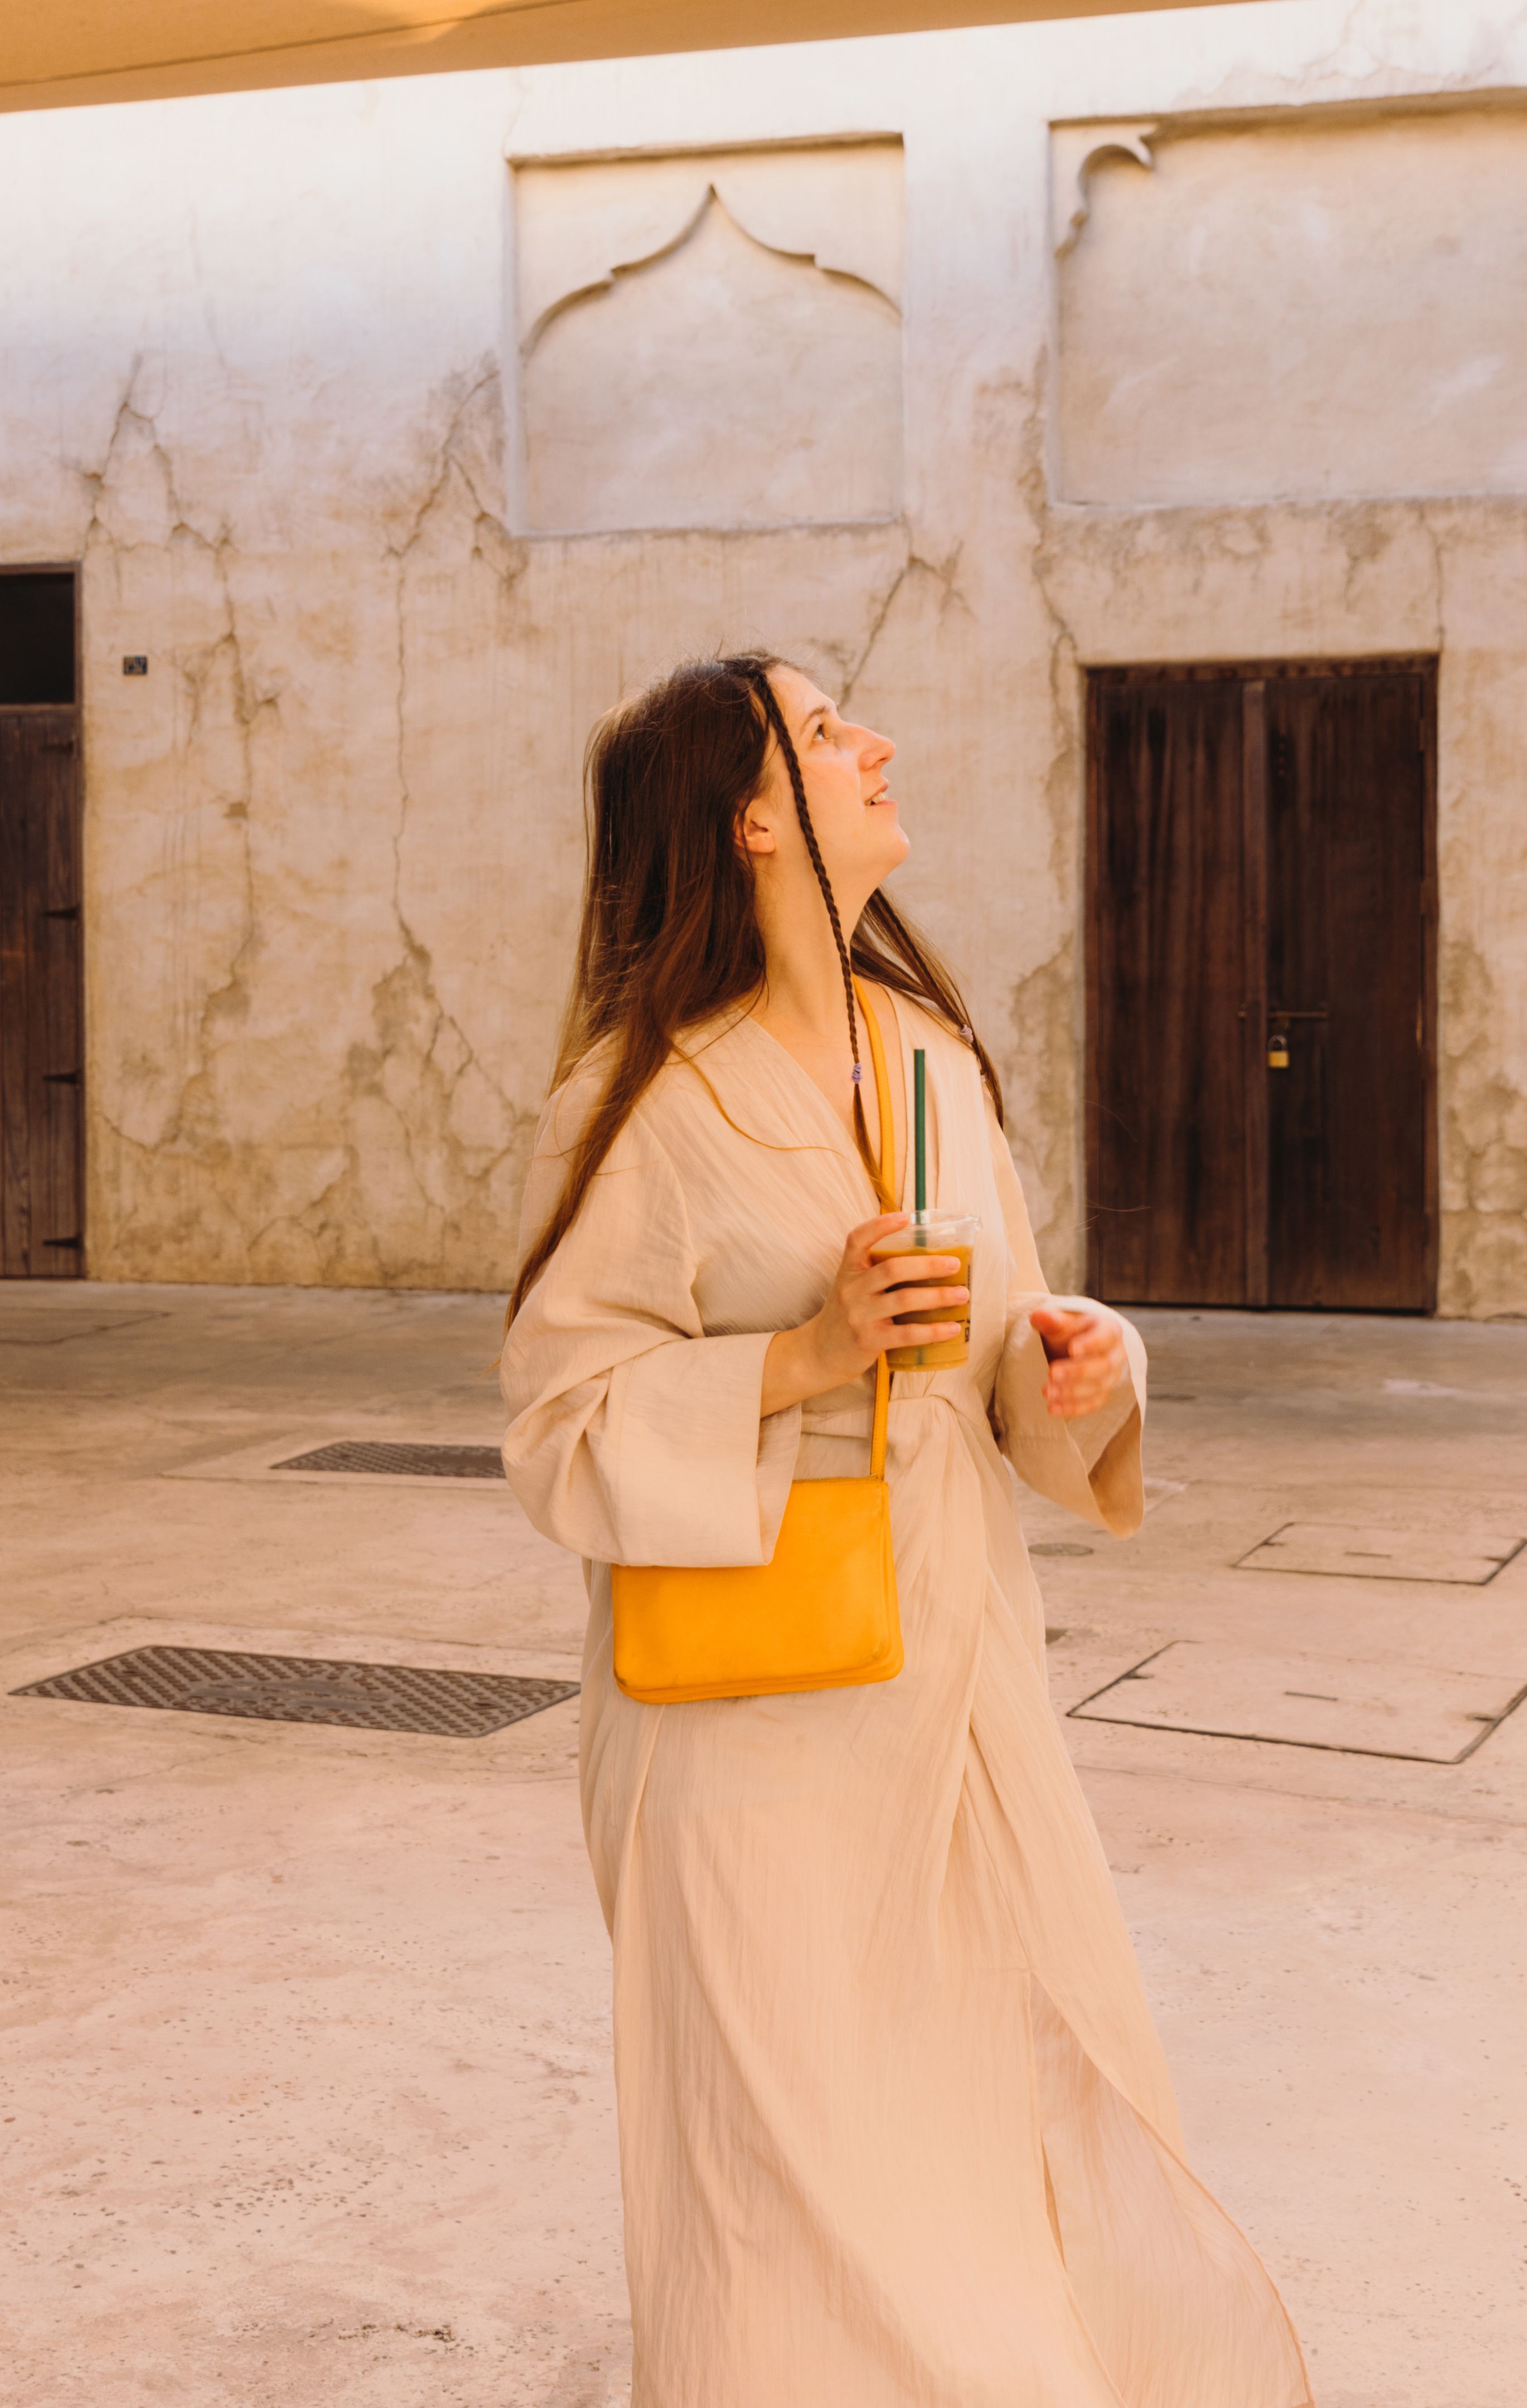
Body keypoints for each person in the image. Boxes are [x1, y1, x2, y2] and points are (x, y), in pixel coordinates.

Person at [499, 653, 1312, 2405]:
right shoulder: (641, 1100)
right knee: (783, 2166)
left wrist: (1080, 1364)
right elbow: (562, 1426)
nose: (875, 741)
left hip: (959, 1682)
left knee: (1004, 2099)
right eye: (824, 729)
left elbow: (1000, 1362)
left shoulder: (934, 1059)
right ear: (751, 819)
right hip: (739, 1721)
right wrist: (806, 1354)